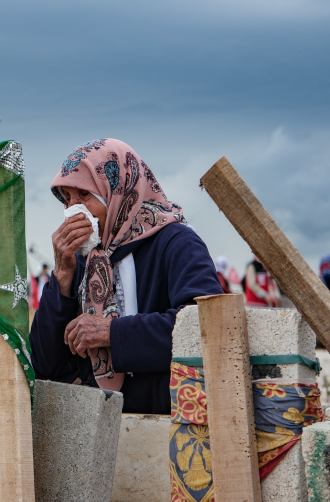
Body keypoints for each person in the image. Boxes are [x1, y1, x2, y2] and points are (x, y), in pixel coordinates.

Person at [30, 139, 223, 414]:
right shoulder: (85, 259)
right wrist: (62, 274)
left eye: (84, 195)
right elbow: (45, 365)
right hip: (104, 432)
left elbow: (208, 328)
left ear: (117, 190)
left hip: (170, 425)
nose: (73, 211)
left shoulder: (177, 242)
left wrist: (111, 333)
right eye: (67, 199)